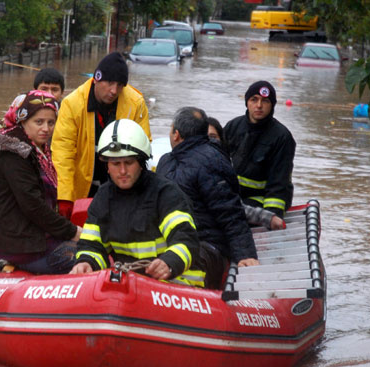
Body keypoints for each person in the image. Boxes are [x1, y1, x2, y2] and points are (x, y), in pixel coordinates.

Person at [70, 119, 206, 288]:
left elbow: (186, 240)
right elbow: (92, 244)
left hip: (178, 282)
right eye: (115, 164)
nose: (122, 171)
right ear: (107, 166)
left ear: (141, 163)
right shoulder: (103, 197)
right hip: (134, 286)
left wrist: (169, 262)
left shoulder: (166, 193)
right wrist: (86, 262)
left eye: (128, 163)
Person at [157, 107, 259, 287]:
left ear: (176, 134)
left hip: (206, 246)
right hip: (173, 242)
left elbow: (229, 211)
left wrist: (245, 254)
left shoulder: (211, 161)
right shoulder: (166, 161)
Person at [0, 90, 81, 274]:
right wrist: (73, 232)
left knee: (92, 250)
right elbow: (34, 206)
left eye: (51, 122)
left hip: (31, 239)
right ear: (23, 121)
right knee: (91, 257)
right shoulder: (14, 155)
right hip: (17, 246)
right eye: (39, 122)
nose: (46, 128)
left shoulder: (38, 150)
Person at [51, 51, 152, 219]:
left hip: (120, 184)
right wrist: (64, 196)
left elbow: (143, 149)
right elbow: (63, 153)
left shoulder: (136, 103)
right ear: (96, 78)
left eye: (120, 85)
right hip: (83, 185)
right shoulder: (72, 104)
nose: (114, 90)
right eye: (110, 83)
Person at [223, 80, 296, 218]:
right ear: (247, 102)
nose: (259, 105)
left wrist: (272, 217)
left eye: (265, 101)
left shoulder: (282, 137)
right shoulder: (232, 127)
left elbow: (279, 183)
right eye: (254, 99)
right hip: (234, 197)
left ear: (272, 105)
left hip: (261, 200)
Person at [207, 116, 285, 231]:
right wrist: (268, 218)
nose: (208, 142)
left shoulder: (222, 166)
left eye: (213, 137)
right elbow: (229, 206)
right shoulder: (204, 170)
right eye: (202, 137)